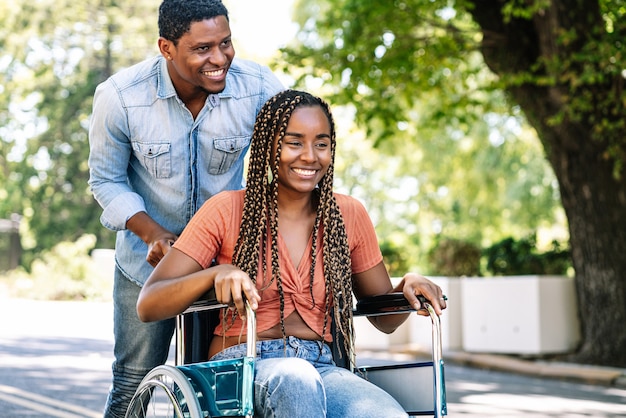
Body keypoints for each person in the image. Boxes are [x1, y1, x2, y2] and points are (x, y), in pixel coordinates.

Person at [137, 89, 447, 418]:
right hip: (241, 368)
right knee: (296, 381)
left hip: (322, 367)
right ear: (270, 147)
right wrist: (215, 273)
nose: (310, 156)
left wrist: (408, 286)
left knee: (385, 414)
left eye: (322, 143)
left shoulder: (348, 215)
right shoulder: (227, 210)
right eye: (294, 142)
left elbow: (384, 319)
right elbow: (149, 303)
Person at [87, 0, 284, 415]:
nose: (219, 58)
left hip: (226, 269)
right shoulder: (120, 97)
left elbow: (296, 149)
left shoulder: (258, 87)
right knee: (132, 382)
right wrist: (152, 233)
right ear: (167, 47)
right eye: (202, 49)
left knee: (217, 388)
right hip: (146, 267)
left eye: (225, 43)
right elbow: (106, 179)